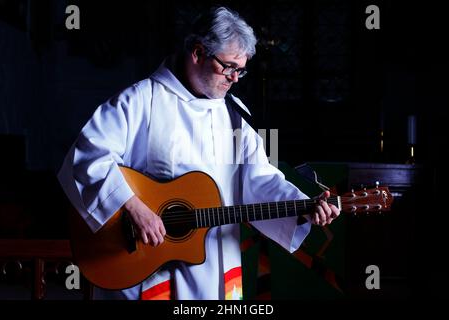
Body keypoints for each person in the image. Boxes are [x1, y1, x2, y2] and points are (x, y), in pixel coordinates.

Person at [58, 6, 340, 300]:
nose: (235, 78)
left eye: (241, 69)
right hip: (145, 259)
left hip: (216, 263)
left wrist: (302, 206)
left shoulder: (236, 115)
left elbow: (262, 178)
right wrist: (133, 206)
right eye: (229, 66)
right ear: (197, 53)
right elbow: (87, 156)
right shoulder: (141, 100)